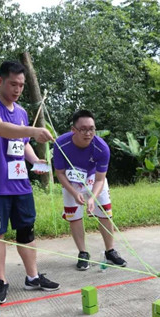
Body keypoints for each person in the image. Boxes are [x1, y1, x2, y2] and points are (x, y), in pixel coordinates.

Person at [0, 61, 60, 305]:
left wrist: (37, 162)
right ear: (0, 81)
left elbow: (22, 143)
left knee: (26, 231)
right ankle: (1, 281)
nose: (17, 89)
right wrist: (33, 131)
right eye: (13, 84)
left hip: (20, 184)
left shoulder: (22, 113)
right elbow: (1, 129)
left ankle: (32, 277)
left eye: (22, 85)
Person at [53, 110, 127, 270]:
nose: (88, 133)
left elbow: (100, 178)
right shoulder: (61, 143)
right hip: (70, 180)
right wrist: (74, 193)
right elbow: (59, 173)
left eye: (91, 129)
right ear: (73, 129)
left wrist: (92, 197)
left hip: (93, 179)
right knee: (74, 216)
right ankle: (83, 253)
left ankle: (110, 251)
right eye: (83, 129)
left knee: (105, 212)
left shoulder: (102, 148)